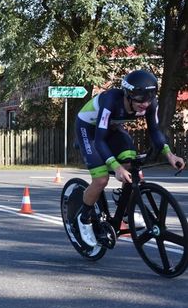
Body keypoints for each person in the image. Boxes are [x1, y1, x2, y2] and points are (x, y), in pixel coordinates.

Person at [75, 69, 185, 247]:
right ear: (128, 95)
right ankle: (84, 218)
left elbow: (155, 131)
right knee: (101, 179)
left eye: (149, 99)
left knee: (132, 165)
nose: (145, 104)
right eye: (140, 100)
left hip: (112, 128)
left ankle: (126, 208)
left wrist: (169, 154)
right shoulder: (111, 101)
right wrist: (116, 167)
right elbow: (100, 140)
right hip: (89, 129)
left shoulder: (149, 103)